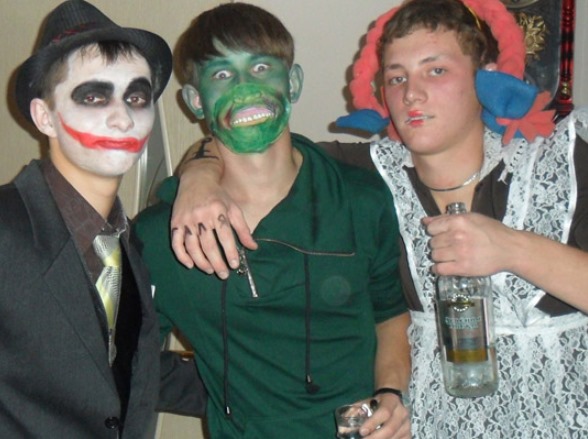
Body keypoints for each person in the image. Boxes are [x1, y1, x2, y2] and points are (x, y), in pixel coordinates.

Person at [169, 0, 588, 437]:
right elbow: (252, 141)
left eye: (436, 70)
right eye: (396, 77)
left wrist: (513, 248)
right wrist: (198, 176)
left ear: (485, 77)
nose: (412, 93)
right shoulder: (364, 175)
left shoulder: (561, 164)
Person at [133, 3, 411, 438]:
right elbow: (126, 360)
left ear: (293, 82)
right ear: (195, 101)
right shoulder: (159, 236)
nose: (245, 87)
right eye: (222, 73)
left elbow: (390, 315)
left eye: (261, 67)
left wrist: (391, 392)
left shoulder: (362, 199)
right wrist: (219, 392)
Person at [0, 1, 173, 437]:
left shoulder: (127, 245)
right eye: (94, 96)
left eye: (137, 97)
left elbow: (117, 371)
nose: (123, 117)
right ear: (45, 117)